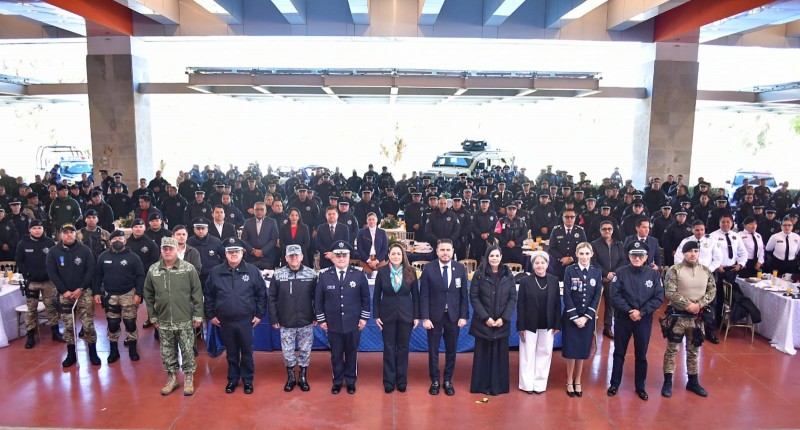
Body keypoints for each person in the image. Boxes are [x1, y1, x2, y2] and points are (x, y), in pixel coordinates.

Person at [143, 237, 204, 396]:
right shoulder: (154, 270)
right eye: (165, 249)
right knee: (167, 351)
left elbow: (197, 292)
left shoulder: (188, 268)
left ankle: (188, 378)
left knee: (187, 349)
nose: (168, 251)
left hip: (184, 319)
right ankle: (172, 378)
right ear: (161, 250)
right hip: (163, 320)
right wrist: (153, 316)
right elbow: (148, 294)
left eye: (171, 248)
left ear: (177, 250)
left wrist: (198, 315)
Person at [206, 237, 267, 395]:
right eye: (230, 251)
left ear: (242, 253)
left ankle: (247, 380)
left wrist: (259, 314)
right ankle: (232, 379)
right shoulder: (216, 272)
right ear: (225, 254)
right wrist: (211, 315)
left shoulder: (252, 271)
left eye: (237, 251)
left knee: (247, 352)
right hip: (225, 321)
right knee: (231, 352)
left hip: (246, 320)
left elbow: (262, 294)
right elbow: (209, 295)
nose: (233, 254)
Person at [607, 240, 664, 401]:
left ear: (646, 257)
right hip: (623, 319)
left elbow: (659, 297)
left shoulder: (653, 275)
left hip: (643, 320)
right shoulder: (621, 272)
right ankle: (614, 384)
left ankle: (640, 386)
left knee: (641, 355)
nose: (637, 258)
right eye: (634, 255)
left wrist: (642, 312)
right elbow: (614, 295)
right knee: (619, 353)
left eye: (640, 255)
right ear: (629, 256)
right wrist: (629, 311)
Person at [661, 241, 716, 398]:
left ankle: (693, 381)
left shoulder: (705, 270)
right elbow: (670, 291)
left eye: (695, 251)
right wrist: (687, 305)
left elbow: (712, 290)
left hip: (697, 319)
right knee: (672, 350)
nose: (693, 254)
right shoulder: (674, 270)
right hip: (677, 317)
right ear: (683, 253)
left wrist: (699, 305)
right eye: (689, 251)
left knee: (694, 350)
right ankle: (668, 381)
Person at [315, 241, 370, 395]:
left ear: (349, 257)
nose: (341, 258)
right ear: (332, 257)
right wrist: (322, 320)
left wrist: (364, 318)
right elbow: (318, 300)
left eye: (344, 255)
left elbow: (366, 299)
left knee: (352, 353)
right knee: (336, 354)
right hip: (333, 323)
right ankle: (337, 381)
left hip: (353, 322)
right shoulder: (324, 275)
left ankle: (351, 381)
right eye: (338, 255)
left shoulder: (359, 274)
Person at [45, 224, 99, 367]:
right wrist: (64, 291)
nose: (69, 235)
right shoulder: (53, 252)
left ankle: (93, 353)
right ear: (61, 235)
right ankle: (71, 354)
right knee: (68, 326)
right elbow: (52, 273)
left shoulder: (85, 250)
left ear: (76, 234)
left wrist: (81, 288)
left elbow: (90, 270)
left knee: (88, 325)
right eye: (65, 232)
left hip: (83, 292)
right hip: (65, 294)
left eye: (71, 232)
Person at [419, 239, 469, 396]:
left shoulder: (460, 268)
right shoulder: (429, 268)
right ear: (437, 251)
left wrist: (463, 316)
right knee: (433, 350)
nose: (445, 253)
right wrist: (425, 317)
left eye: (448, 250)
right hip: (434, 317)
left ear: (453, 251)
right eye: (442, 250)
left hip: (453, 317)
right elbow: (424, 295)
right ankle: (435, 380)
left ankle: (448, 380)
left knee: (451, 350)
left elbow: (464, 295)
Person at [268, 244, 318, 392]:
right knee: (287, 351)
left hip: (306, 320)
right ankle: (291, 378)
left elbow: (317, 298)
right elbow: (272, 298)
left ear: (302, 257)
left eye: (296, 255)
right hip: (286, 321)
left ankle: (302, 377)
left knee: (305, 350)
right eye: (291, 255)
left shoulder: (311, 274)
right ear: (286, 258)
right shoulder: (278, 275)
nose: (294, 258)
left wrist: (316, 316)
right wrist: (274, 319)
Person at [468, 245, 517, 396]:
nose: (494, 258)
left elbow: (512, 298)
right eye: (491, 256)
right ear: (487, 257)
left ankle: (498, 387)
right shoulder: (479, 274)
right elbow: (474, 297)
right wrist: (486, 318)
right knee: (482, 356)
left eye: (497, 255)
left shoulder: (508, 274)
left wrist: (504, 318)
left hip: (501, 323)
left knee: (499, 356)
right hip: (483, 323)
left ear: (501, 257)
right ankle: (481, 386)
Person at [93, 230, 146, 363]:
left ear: (125, 241)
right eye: (114, 239)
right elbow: (98, 275)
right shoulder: (103, 256)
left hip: (129, 294)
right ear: (110, 241)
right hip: (110, 295)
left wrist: (139, 294)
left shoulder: (133, 257)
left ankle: (132, 349)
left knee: (130, 323)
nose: (117, 241)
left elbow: (140, 276)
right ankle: (114, 351)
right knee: (112, 324)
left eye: (120, 238)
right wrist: (96, 292)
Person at [373, 243, 419, 393]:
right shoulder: (382, 271)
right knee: (389, 348)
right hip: (387, 315)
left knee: (403, 348)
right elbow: (376, 295)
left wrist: (416, 316)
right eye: (393, 253)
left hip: (406, 315)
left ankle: (401, 381)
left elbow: (416, 296)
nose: (396, 256)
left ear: (403, 255)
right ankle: (388, 381)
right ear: (389, 255)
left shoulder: (411, 271)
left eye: (398, 254)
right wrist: (376, 315)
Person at [561, 242, 602, 397]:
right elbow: (567, 294)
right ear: (577, 254)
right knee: (571, 350)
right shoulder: (570, 270)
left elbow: (597, 295)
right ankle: (569, 380)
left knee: (583, 350)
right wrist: (575, 317)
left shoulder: (596, 272)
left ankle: (578, 379)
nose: (584, 257)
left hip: (587, 318)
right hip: (572, 317)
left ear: (591, 254)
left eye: (587, 253)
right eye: (581, 253)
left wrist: (586, 317)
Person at [516, 251, 561, 394]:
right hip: (529, 324)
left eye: (542, 262)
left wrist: (557, 324)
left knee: (545, 353)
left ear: (547, 265)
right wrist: (521, 326)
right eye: (537, 263)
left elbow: (557, 304)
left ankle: (540, 384)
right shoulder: (525, 281)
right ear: (532, 265)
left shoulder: (554, 281)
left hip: (548, 324)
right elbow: (520, 305)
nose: (540, 265)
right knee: (527, 355)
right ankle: (527, 384)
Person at [15, 219, 63, 348]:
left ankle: (55, 332)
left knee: (51, 306)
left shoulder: (49, 242)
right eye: (34, 228)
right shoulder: (23, 243)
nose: (37, 230)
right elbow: (19, 261)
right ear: (29, 230)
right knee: (31, 309)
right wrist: (27, 274)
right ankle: (30, 336)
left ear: (43, 229)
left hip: (48, 281)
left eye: (39, 228)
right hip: (32, 282)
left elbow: (56, 259)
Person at [590, 220, 626, 339]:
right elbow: (593, 261)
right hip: (598, 278)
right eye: (604, 229)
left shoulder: (619, 244)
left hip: (613, 279)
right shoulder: (594, 244)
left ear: (613, 230)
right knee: (594, 304)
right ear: (600, 231)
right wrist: (605, 274)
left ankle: (608, 327)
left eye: (609, 229)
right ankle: (591, 328)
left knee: (610, 304)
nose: (607, 231)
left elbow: (623, 260)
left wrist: (612, 274)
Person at [548, 208, 587, 280]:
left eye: (572, 217)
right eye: (567, 217)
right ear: (562, 218)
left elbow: (584, 249)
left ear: (575, 218)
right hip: (559, 265)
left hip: (575, 265)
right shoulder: (556, 230)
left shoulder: (580, 230)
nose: (569, 219)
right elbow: (551, 249)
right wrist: (562, 258)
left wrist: (572, 258)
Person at [241, 202, 278, 269]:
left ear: (265, 211)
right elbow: (244, 239)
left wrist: (262, 251)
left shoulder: (272, 222)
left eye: (262, 209)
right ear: (254, 211)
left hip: (267, 258)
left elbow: (273, 239)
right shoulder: (247, 222)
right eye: (257, 209)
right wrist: (252, 251)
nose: (259, 211)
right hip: (251, 258)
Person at [316, 206, 349, 270]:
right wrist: (328, 253)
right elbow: (318, 244)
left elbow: (346, 244)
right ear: (326, 216)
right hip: (325, 259)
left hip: (340, 259)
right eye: (329, 214)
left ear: (337, 215)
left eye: (333, 214)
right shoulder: (321, 228)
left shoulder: (344, 228)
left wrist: (334, 254)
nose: (331, 216)